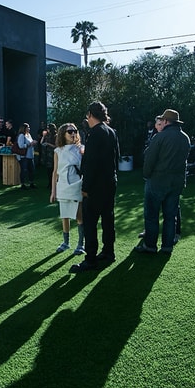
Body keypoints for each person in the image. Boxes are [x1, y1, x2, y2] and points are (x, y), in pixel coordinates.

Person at [70, 101, 120, 273]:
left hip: (95, 186)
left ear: (91, 115)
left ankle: (90, 259)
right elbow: (116, 158)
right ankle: (109, 252)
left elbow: (90, 164)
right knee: (108, 220)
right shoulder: (111, 132)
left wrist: (85, 187)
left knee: (90, 223)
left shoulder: (94, 134)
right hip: (110, 183)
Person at [135, 109, 190, 254]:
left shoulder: (160, 137)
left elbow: (149, 160)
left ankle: (150, 246)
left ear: (166, 121)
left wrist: (146, 175)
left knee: (152, 215)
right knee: (170, 216)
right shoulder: (185, 138)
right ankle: (167, 246)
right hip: (176, 182)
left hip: (158, 180)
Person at [50, 123, 85, 255]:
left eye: (75, 131)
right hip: (63, 185)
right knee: (64, 215)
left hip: (77, 184)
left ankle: (81, 244)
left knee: (79, 215)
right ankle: (66, 242)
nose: (73, 134)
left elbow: (85, 168)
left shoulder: (81, 148)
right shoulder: (58, 151)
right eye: (70, 131)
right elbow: (55, 172)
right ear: (63, 134)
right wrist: (53, 191)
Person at [16, 123, 38, 189]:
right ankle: (22, 184)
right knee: (24, 170)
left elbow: (30, 143)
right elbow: (21, 146)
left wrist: (33, 143)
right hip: (24, 156)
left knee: (31, 170)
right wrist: (30, 144)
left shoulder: (29, 135)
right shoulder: (22, 136)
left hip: (30, 155)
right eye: (28, 127)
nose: (29, 128)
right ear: (24, 128)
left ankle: (31, 183)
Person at [41, 123, 57, 188]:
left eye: (48, 128)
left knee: (53, 169)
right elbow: (41, 142)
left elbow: (56, 146)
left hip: (53, 154)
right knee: (48, 170)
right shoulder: (47, 135)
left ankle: (54, 183)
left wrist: (48, 144)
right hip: (47, 155)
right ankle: (50, 183)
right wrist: (43, 136)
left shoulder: (55, 136)